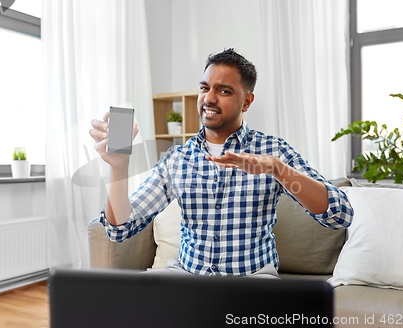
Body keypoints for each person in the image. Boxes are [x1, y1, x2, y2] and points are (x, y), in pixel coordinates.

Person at [89, 48, 353, 278]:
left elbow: (341, 215)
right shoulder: (177, 159)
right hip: (188, 277)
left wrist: (277, 169)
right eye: (204, 88)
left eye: (223, 91)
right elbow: (119, 229)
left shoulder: (273, 151)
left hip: (253, 281)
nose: (209, 98)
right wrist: (118, 167)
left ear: (247, 101)